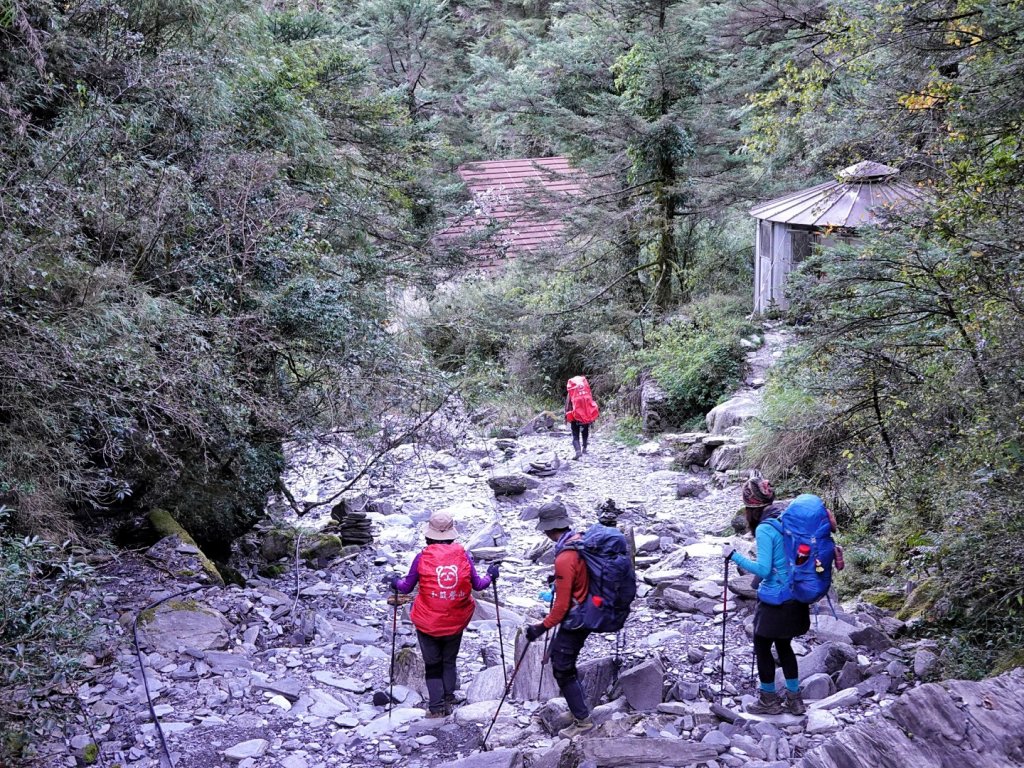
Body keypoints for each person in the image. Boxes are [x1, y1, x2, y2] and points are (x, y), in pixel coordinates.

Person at [723, 474, 837, 716]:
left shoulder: (765, 528)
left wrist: (733, 555)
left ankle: (768, 700)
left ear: (750, 507)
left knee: (762, 645)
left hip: (777, 599)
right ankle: (794, 700)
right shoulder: (784, 519)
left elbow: (764, 569)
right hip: (796, 595)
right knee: (784, 646)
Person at [385, 511, 499, 718]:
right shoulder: (463, 555)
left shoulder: (422, 557)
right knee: (449, 660)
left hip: (427, 622)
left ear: (429, 535)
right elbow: (479, 585)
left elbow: (405, 588)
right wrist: (490, 575)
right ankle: (449, 698)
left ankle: (436, 708)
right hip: (455, 620)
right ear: (452, 534)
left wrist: (394, 582)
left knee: (433, 663)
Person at [524, 501, 595, 739]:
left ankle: (583, 721)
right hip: (588, 611)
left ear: (548, 529)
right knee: (566, 660)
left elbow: (562, 607)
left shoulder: (565, 556)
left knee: (562, 667)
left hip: (576, 618)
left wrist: (539, 628)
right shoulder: (578, 542)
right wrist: (559, 579)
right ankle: (579, 710)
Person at [564, 376, 599, 460]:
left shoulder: (571, 393)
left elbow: (567, 406)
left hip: (575, 416)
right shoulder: (586, 392)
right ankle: (585, 448)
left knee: (575, 435)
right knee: (585, 431)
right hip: (585, 416)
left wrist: (565, 418)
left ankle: (578, 451)